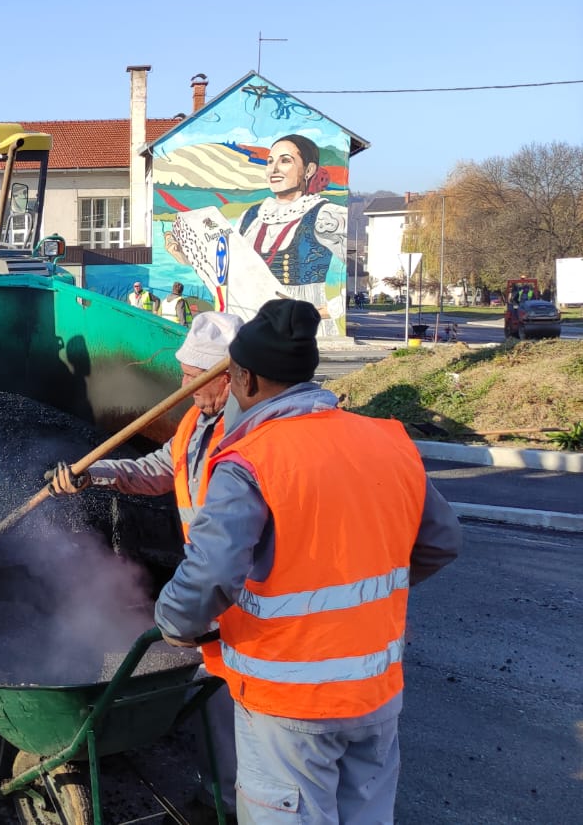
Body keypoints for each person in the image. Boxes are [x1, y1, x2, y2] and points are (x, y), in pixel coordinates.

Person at [153, 299, 461, 824]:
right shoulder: (386, 440)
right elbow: (441, 542)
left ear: (245, 379)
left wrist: (174, 622)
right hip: (375, 692)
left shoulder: (250, 459)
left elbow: (211, 574)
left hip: (290, 703)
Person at [47, 311, 245, 821]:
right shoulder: (197, 422)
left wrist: (183, 610)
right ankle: (221, 793)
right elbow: (159, 469)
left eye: (193, 377)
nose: (183, 388)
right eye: (183, 374)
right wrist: (95, 474)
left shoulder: (249, 435)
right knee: (216, 693)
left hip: (240, 589)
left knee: (238, 701)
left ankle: (236, 801)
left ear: (227, 377)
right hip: (214, 588)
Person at [234, 135, 347, 333]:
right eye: (270, 162)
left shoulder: (325, 215)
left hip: (302, 328)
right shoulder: (251, 216)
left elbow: (368, 267)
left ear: (309, 170)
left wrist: (328, 310)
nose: (273, 169)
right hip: (255, 326)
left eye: (285, 161)